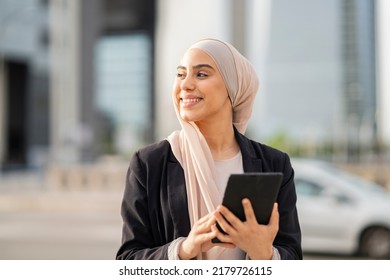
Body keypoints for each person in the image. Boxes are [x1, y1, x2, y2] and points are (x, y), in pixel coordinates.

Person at [116, 38, 302, 260]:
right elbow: (127, 259)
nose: (185, 84)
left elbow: (292, 256)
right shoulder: (149, 163)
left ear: (232, 88)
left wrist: (264, 252)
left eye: (201, 74)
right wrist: (184, 249)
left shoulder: (274, 164)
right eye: (180, 74)